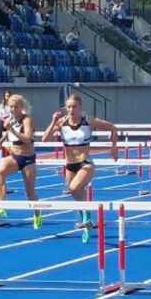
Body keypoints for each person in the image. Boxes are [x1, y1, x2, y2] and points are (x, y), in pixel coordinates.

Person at [41, 94, 118, 243]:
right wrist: (53, 122)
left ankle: (87, 219)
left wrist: (114, 148)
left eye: (74, 106)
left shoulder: (87, 121)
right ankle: (86, 219)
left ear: (80, 108)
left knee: (75, 187)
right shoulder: (62, 123)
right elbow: (44, 139)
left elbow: (112, 128)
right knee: (74, 191)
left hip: (85, 163)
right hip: (70, 165)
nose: (71, 109)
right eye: (68, 107)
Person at [0, 94, 42, 228]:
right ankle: (1, 207)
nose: (12, 109)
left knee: (29, 193)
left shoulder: (27, 120)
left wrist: (11, 129)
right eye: (10, 107)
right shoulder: (9, 119)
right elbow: (7, 134)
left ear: (21, 107)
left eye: (15, 107)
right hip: (15, 156)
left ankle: (37, 213)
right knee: (0, 172)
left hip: (28, 159)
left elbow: (28, 138)